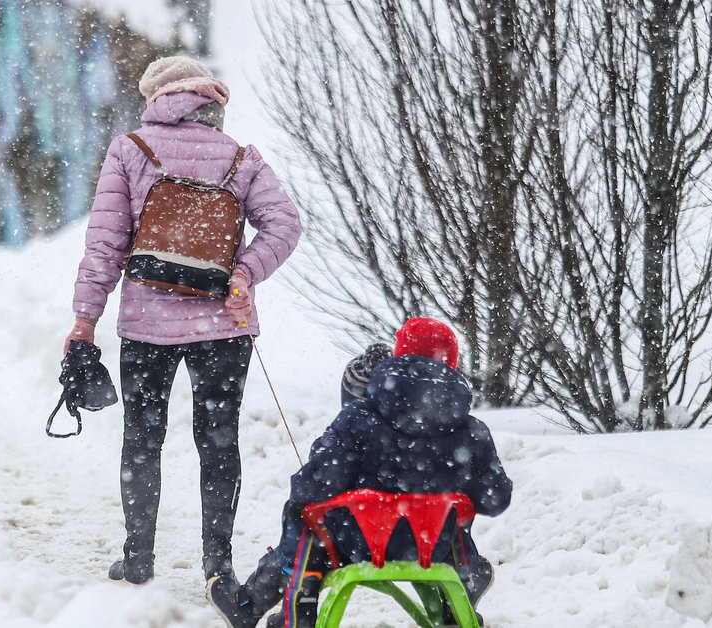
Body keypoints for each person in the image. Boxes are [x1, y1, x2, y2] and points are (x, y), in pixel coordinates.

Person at [65, 56, 301, 584]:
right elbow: (285, 225)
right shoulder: (242, 158)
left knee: (143, 438)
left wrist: (85, 318)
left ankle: (139, 558)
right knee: (219, 439)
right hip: (222, 326)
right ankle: (218, 565)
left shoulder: (131, 149)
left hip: (146, 326)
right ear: (210, 103)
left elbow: (105, 242)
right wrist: (243, 273)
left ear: (156, 100)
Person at [209, 317, 512, 627]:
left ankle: (268, 604)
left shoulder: (359, 416)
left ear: (399, 355)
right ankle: (461, 592)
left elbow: (314, 485)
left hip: (354, 545)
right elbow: (495, 499)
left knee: (303, 516)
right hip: (433, 548)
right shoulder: (472, 432)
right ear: (451, 363)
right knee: (454, 512)